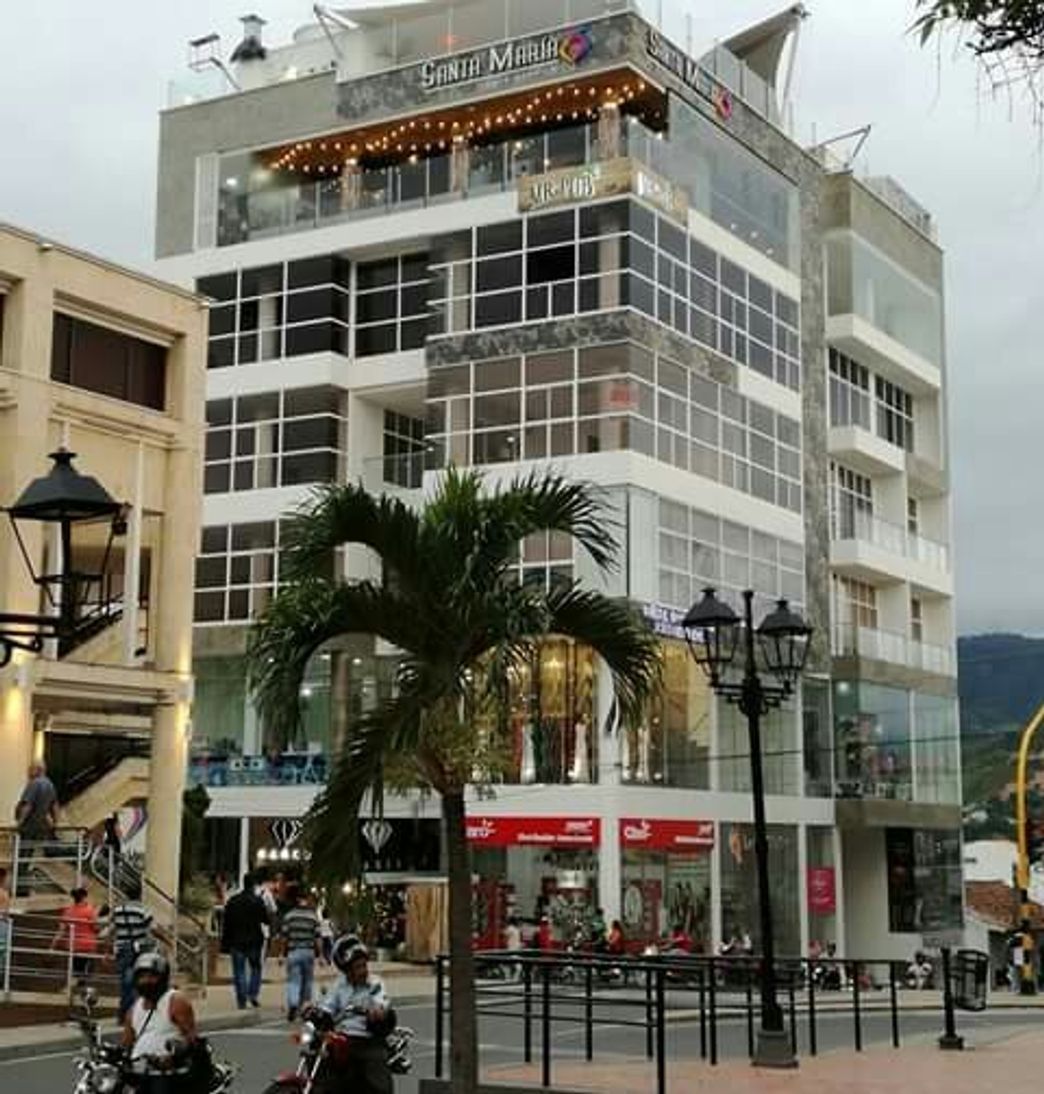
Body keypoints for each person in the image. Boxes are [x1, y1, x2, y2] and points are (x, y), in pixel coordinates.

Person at [317, 938, 393, 1094]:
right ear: (347, 970)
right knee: (321, 1058)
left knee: (377, 1076)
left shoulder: (375, 984)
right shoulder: (339, 984)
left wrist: (377, 1010)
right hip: (343, 1038)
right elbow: (328, 1005)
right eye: (358, 967)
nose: (363, 970)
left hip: (367, 1038)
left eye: (364, 965)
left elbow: (381, 1002)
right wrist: (314, 1010)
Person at [122, 951, 197, 1094]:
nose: (146, 981)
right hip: (138, 1073)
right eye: (142, 977)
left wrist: (173, 1056)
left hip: (166, 1073)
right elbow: (126, 1044)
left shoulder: (175, 1001)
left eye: (152, 976)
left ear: (162, 978)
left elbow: (192, 1038)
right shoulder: (134, 1009)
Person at [221, 872, 268, 1010]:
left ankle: (241, 999)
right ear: (253, 885)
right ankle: (252, 994)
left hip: (236, 941)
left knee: (239, 971)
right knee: (255, 968)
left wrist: (225, 943)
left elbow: (227, 923)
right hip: (254, 940)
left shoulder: (233, 901)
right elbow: (265, 919)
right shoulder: (257, 901)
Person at [108, 885, 155, 1020]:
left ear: (126, 895)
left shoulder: (117, 910)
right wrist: (168, 940)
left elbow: (111, 931)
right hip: (138, 950)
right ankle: (131, 1013)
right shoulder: (142, 910)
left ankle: (123, 1012)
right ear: (140, 895)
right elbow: (153, 928)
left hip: (121, 949)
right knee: (137, 981)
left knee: (125, 981)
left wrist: (107, 951)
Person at [281, 886, 320, 1022]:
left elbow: (285, 937)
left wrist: (282, 953)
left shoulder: (289, 916)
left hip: (293, 951)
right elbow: (317, 937)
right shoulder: (313, 916)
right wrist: (319, 955)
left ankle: (293, 1004)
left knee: (294, 981)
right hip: (308, 951)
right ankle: (305, 1008)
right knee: (308, 981)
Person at [51, 887, 100, 992]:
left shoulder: (68, 911)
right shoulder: (90, 910)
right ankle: (77, 988)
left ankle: (72, 987)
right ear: (84, 897)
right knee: (85, 970)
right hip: (87, 945)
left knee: (76, 968)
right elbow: (96, 928)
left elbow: (61, 930)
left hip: (74, 945)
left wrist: (53, 945)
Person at [14, 761, 58, 857]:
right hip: (40, 825)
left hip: (28, 825)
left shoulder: (34, 783)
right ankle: (23, 868)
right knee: (29, 850)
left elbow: (28, 806)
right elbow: (54, 806)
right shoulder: (50, 784)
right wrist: (55, 822)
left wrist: (19, 823)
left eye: (30, 769)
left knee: (22, 850)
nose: (28, 772)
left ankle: (20, 870)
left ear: (37, 770)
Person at [504, 916, 523, 981]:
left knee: (511, 965)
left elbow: (505, 935)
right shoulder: (512, 929)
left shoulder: (514, 929)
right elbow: (505, 935)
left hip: (514, 949)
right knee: (516, 966)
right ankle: (511, 978)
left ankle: (510, 978)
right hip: (512, 949)